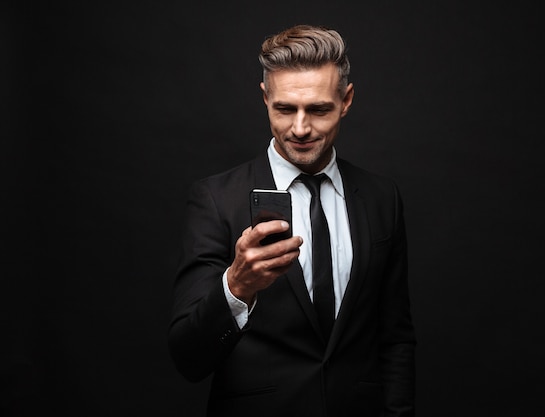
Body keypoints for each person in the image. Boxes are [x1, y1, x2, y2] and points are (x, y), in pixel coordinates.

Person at [168, 24, 416, 417]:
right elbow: (188, 357)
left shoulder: (381, 198)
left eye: (318, 109)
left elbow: (395, 336)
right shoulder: (216, 200)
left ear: (346, 100)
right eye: (285, 108)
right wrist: (235, 288)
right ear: (265, 98)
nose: (300, 129)